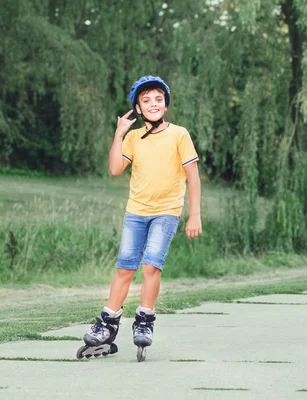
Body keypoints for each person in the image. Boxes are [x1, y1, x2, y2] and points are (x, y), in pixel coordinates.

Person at [78, 75, 202, 359]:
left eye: (159, 99)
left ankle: (144, 319)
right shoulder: (133, 138)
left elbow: (193, 177)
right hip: (136, 212)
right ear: (137, 108)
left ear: (166, 106)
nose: (154, 104)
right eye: (147, 100)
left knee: (151, 266)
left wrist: (194, 214)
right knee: (125, 268)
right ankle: (107, 324)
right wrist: (119, 134)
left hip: (167, 212)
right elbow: (114, 169)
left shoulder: (179, 134)